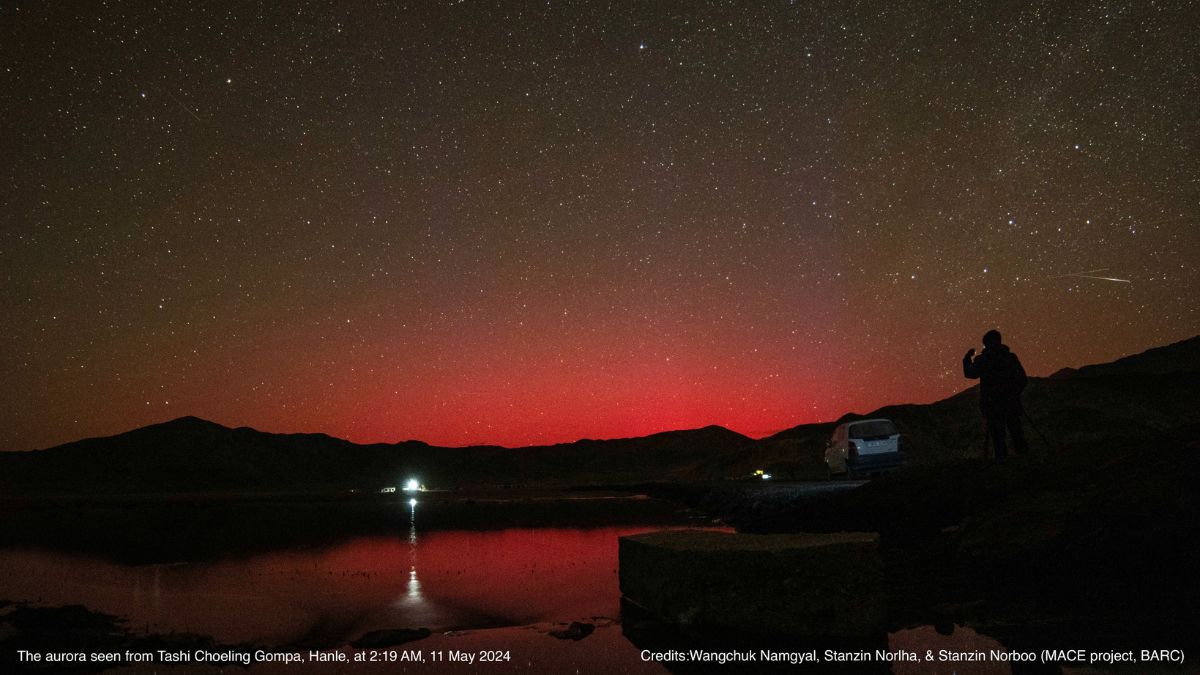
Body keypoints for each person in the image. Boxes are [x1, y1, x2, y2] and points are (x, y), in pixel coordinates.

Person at [963, 329, 1028, 459]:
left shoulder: (983, 360)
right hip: (1010, 404)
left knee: (998, 439)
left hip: (993, 406)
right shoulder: (1010, 358)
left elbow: (970, 373)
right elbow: (1022, 379)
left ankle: (1003, 467)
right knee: (1017, 434)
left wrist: (967, 359)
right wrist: (1013, 393)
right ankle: (1026, 464)